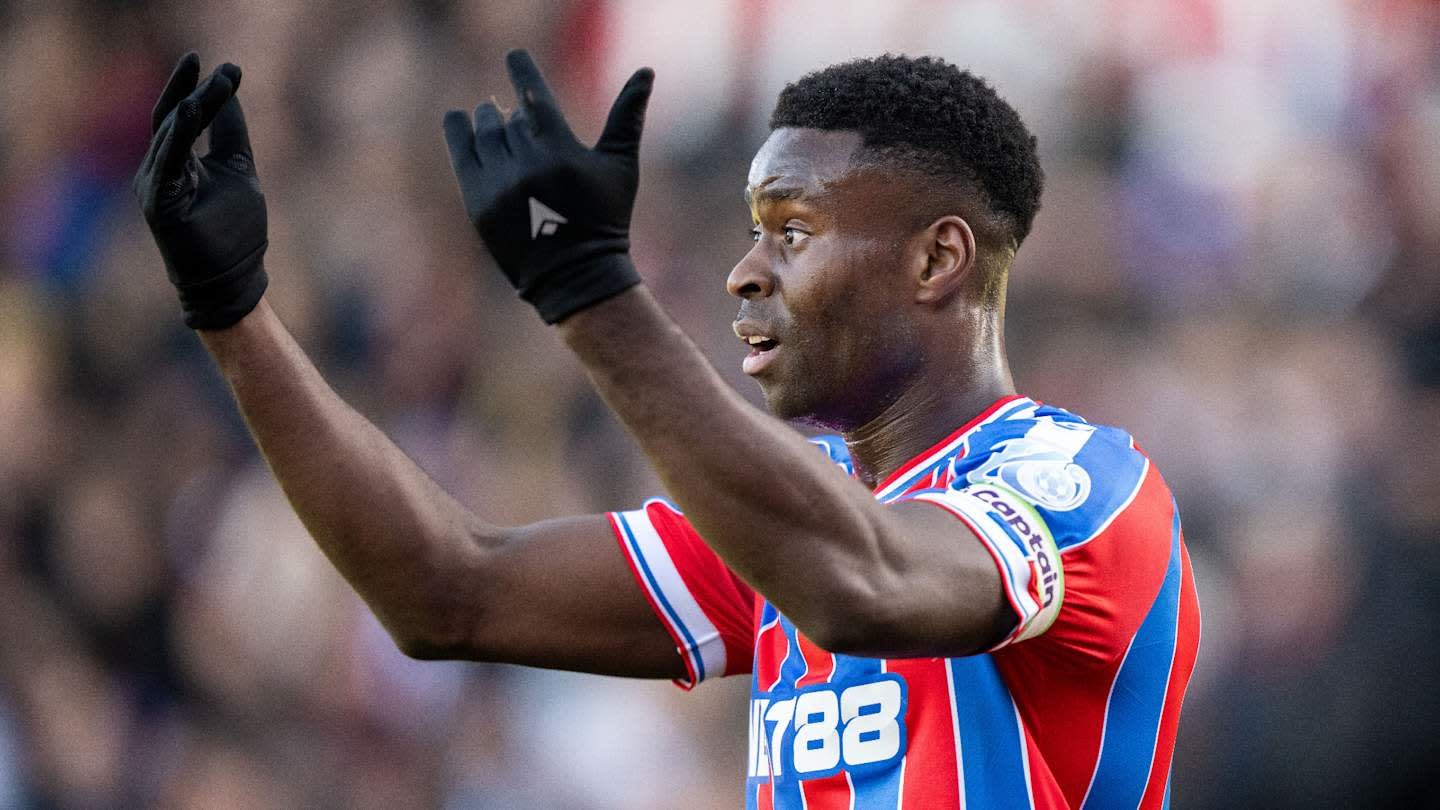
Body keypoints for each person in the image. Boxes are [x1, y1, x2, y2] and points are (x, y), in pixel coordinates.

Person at [132, 48, 1199, 809]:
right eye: (753, 232)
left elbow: (860, 585)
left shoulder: (1081, 488)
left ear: (936, 259)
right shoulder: (789, 523)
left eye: (793, 231)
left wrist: (594, 297)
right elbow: (446, 589)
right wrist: (233, 313)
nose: (746, 272)